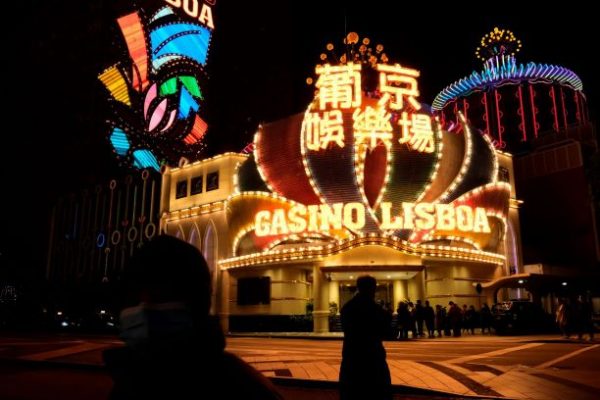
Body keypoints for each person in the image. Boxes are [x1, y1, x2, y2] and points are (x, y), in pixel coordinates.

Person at [103, 235, 282, 400]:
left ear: (197, 301)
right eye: (135, 296)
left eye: (163, 294)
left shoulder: (246, 390)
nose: (144, 307)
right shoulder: (129, 382)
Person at [339, 275, 392, 400]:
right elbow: (386, 331)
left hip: (352, 356)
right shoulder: (376, 309)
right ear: (372, 289)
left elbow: (346, 329)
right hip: (373, 358)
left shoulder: (348, 308)